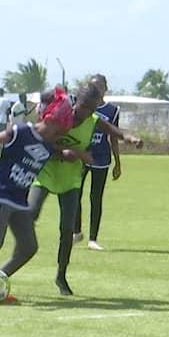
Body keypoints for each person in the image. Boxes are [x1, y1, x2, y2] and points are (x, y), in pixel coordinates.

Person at [0, 88, 76, 306]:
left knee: (29, 247)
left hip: (19, 199)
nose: (59, 136)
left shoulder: (49, 146)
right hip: (0, 193)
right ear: (49, 120)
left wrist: (68, 155)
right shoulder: (20, 131)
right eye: (58, 131)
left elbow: (56, 152)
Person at [29, 84, 143, 295]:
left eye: (91, 108)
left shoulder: (93, 121)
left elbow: (114, 131)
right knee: (29, 215)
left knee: (67, 230)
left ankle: (61, 276)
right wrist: (66, 153)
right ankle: (19, 257)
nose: (86, 112)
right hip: (45, 175)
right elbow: (41, 142)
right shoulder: (60, 116)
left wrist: (130, 137)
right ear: (76, 103)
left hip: (71, 180)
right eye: (83, 107)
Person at [74, 74, 122, 251]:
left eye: (99, 86)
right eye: (93, 86)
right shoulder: (82, 107)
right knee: (75, 193)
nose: (96, 89)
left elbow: (114, 137)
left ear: (105, 88)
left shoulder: (112, 110)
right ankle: (76, 231)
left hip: (101, 158)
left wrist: (118, 162)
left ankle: (93, 238)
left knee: (96, 197)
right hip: (82, 155)